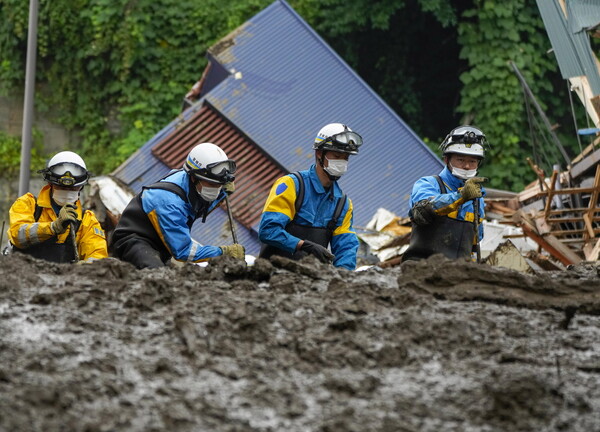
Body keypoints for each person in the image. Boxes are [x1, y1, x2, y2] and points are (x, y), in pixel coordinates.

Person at [110, 142, 245, 269]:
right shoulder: (169, 202)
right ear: (194, 177)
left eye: (220, 185)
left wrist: (222, 194)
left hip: (160, 245)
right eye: (212, 185)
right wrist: (223, 252)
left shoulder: (191, 184)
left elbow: (198, 208)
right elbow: (184, 251)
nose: (216, 189)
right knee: (157, 276)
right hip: (134, 241)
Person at [258, 123, 362, 270]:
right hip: (270, 278)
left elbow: (346, 248)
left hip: (309, 286)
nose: (342, 162)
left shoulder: (343, 204)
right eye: (337, 156)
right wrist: (303, 245)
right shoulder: (292, 185)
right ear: (319, 153)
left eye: (345, 158)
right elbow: (268, 230)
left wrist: (343, 275)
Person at [402, 125, 488, 262]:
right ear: (446, 160)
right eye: (461, 160)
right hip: (420, 269)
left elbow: (474, 243)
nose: (466, 166)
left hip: (456, 274)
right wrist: (461, 197)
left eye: (472, 161)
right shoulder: (428, 184)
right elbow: (422, 211)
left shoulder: (478, 200)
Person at [8, 151, 108, 263]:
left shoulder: (87, 220)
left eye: (72, 189)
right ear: (50, 184)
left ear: (81, 187)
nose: (67, 192)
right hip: (21, 276)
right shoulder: (28, 204)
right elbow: (17, 236)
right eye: (61, 187)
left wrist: (86, 266)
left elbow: (98, 256)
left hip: (64, 279)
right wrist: (53, 227)